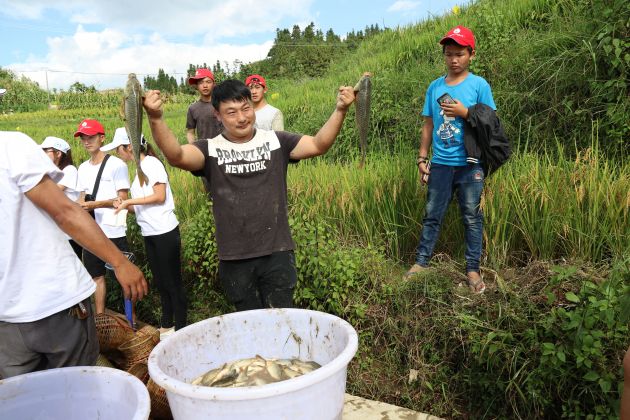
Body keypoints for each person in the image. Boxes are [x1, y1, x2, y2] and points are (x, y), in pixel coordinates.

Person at [143, 79, 355, 311]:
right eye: (231, 112)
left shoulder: (276, 141)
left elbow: (318, 145)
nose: (242, 118)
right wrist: (155, 118)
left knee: (282, 322)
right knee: (250, 326)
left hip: (278, 252)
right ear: (217, 115)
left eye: (246, 109)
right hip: (234, 258)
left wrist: (340, 110)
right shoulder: (209, 148)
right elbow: (176, 156)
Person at [0, 131, 147, 379]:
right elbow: (65, 212)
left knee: (24, 404)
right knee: (78, 392)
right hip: (54, 303)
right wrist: (120, 262)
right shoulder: (9, 145)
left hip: (6, 317)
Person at [405, 25, 496, 294]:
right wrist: (423, 159)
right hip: (441, 164)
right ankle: (421, 263)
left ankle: (472, 269)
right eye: (448, 54)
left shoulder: (479, 85)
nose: (454, 60)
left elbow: (491, 122)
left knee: (471, 217)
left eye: (459, 54)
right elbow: (428, 125)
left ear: (471, 54)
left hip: (470, 165)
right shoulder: (435, 87)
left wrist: (465, 111)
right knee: (432, 214)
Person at [103, 128, 187, 337]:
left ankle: (183, 328)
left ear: (129, 147)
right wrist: (124, 204)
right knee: (160, 280)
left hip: (164, 231)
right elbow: (141, 206)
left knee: (172, 281)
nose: (117, 153)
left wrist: (130, 200)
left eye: (118, 149)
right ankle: (167, 323)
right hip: (149, 232)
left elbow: (159, 196)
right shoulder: (139, 169)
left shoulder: (151, 164)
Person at [75, 119, 131, 314]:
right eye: (83, 137)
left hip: (114, 229)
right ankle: (99, 319)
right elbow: (81, 198)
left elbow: (122, 199)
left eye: (90, 137)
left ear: (102, 137)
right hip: (92, 231)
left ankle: (131, 320)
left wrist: (95, 204)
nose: (86, 141)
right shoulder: (81, 168)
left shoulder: (116, 165)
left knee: (124, 276)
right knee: (96, 277)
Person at [40, 136, 83, 258]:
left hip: (70, 231)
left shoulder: (69, 170)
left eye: (46, 151)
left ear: (58, 153)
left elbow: (52, 192)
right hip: (56, 230)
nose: (42, 154)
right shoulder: (50, 172)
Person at [186, 68, 223, 143]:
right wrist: (193, 147)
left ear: (214, 84)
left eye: (208, 82)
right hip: (205, 149)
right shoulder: (192, 108)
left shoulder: (223, 104)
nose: (205, 85)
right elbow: (190, 132)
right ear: (196, 86)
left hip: (224, 149)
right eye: (201, 82)